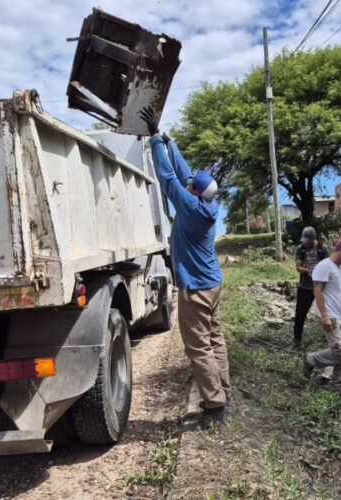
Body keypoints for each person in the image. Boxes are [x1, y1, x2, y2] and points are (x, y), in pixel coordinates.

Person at [140, 107, 230, 429]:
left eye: (191, 185)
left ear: (194, 194)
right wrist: (168, 140)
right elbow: (186, 172)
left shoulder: (190, 207)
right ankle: (223, 390)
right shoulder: (208, 202)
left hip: (196, 290)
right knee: (215, 338)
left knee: (198, 347)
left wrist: (153, 141)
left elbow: (168, 178)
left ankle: (214, 404)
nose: (188, 183)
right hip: (213, 285)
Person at [302, 238, 341, 391]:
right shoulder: (324, 266)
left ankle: (337, 385)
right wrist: (325, 316)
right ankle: (310, 359)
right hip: (331, 315)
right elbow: (317, 291)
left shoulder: (340, 269)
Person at [292, 226, 330, 350]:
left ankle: (331, 341)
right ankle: (297, 341)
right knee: (300, 314)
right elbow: (298, 267)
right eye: (304, 241)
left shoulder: (322, 249)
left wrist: (318, 272)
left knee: (328, 314)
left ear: (314, 238)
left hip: (322, 287)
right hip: (305, 286)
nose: (306, 243)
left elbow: (328, 267)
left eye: (307, 241)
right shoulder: (300, 249)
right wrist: (307, 270)